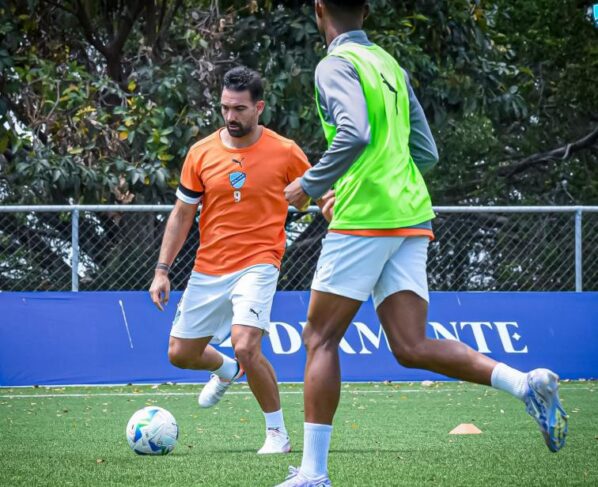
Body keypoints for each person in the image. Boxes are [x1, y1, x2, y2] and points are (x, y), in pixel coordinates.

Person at [277, 1, 569, 485]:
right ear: (366, 11)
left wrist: (310, 185)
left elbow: (354, 133)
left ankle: (312, 474)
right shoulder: (389, 64)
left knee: (319, 338)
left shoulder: (335, 63)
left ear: (318, 9)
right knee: (411, 346)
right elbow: (426, 152)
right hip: (411, 216)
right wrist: (376, 181)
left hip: (366, 219)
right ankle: (524, 385)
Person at [149, 66, 311, 455]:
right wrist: (162, 270)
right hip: (209, 266)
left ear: (259, 107)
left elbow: (320, 196)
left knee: (246, 344)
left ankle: (277, 434)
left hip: (260, 261)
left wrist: (323, 204)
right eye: (225, 108)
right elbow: (182, 214)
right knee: (180, 354)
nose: (230, 116)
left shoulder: (286, 150)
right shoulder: (201, 152)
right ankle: (225, 369)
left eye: (239, 108)